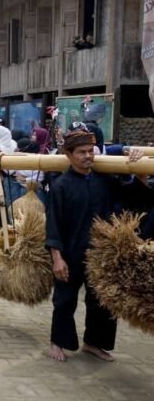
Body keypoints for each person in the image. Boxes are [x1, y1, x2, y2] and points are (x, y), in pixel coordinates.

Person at [46, 130, 152, 362]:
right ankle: (58, 341)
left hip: (102, 253)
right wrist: (57, 257)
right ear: (68, 154)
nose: (87, 156)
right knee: (64, 300)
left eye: (90, 151)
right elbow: (53, 225)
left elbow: (131, 198)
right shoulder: (60, 185)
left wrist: (140, 174)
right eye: (81, 152)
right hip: (70, 253)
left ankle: (93, 343)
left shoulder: (104, 181)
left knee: (102, 301)